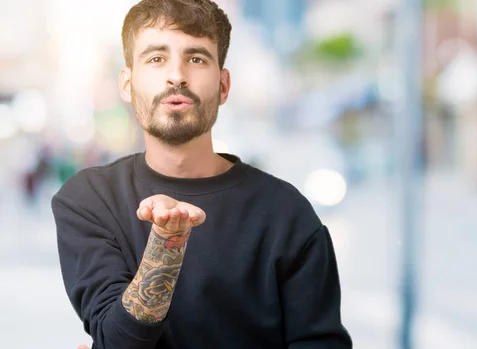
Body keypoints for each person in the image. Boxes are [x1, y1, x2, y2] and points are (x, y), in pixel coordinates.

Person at [51, 0, 353, 348]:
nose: (177, 75)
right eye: (156, 58)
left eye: (196, 58)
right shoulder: (88, 200)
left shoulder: (287, 212)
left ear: (223, 85)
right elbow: (119, 341)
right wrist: (166, 242)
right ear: (126, 84)